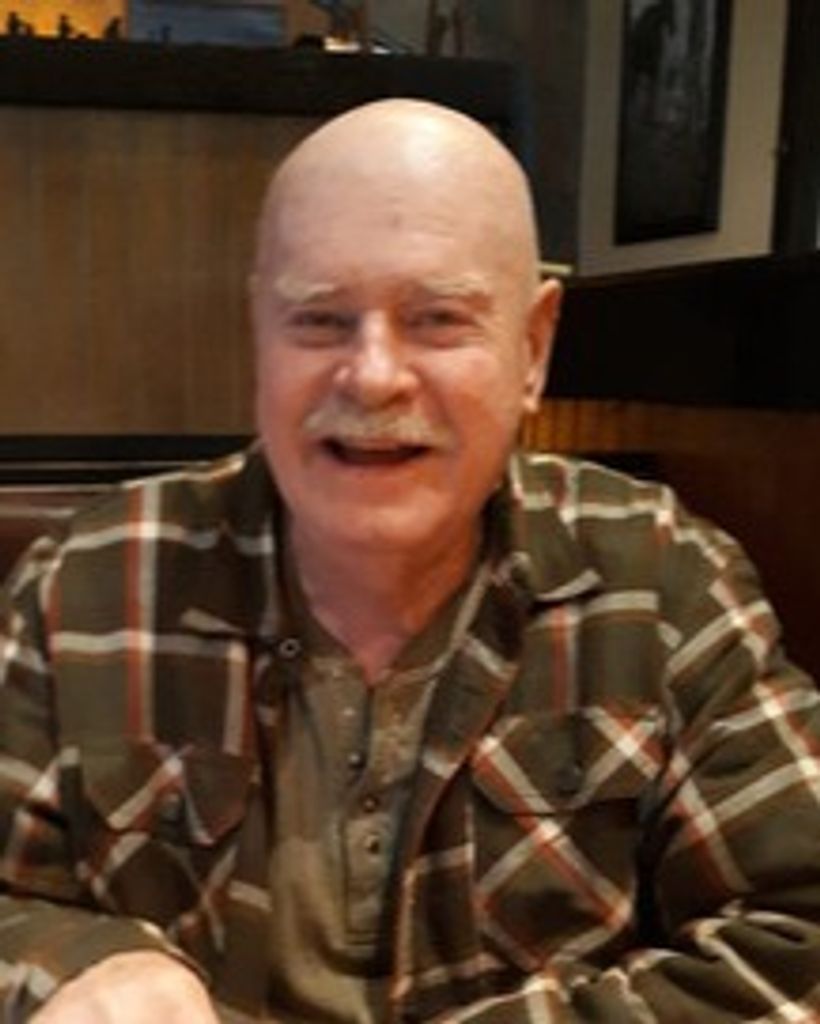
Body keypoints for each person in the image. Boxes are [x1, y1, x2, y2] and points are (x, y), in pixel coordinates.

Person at [1, 98, 819, 1023]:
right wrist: (75, 965)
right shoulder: (87, 582)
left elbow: (800, 936)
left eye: (436, 319)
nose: (375, 375)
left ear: (533, 348)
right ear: (258, 331)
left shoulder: (663, 579)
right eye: (320, 320)